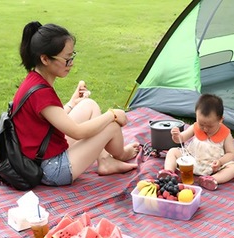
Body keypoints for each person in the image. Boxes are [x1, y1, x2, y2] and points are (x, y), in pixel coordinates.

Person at [12, 21, 139, 186]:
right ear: (44, 59)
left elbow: (48, 120)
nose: (71, 63)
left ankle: (105, 161)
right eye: (66, 59)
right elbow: (77, 132)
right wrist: (112, 115)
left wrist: (72, 103)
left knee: (89, 105)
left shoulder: (34, 80)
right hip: (51, 169)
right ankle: (120, 154)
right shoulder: (40, 93)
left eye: (72, 56)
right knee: (111, 126)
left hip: (41, 154)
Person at [158, 94, 234, 190]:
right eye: (201, 124)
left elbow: (231, 153)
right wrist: (176, 136)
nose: (205, 129)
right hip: (191, 161)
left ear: (220, 120)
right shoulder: (195, 127)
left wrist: (220, 162)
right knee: (172, 151)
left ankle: (212, 179)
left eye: (210, 126)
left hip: (213, 166)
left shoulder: (226, 134)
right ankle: (169, 173)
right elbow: (181, 139)